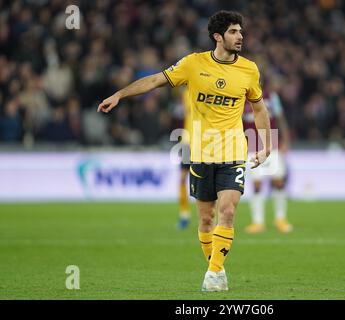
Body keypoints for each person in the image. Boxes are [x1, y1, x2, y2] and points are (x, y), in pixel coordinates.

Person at [97, 11, 272, 292]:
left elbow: (259, 108)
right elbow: (155, 80)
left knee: (227, 211)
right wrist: (119, 94)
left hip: (232, 153)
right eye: (234, 32)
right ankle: (218, 268)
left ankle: (213, 274)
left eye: (241, 31)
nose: (240, 36)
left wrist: (266, 146)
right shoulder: (193, 64)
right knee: (205, 218)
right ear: (218, 36)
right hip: (200, 153)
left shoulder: (249, 69)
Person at [243, 80, 293, 234]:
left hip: (272, 144)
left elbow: (280, 118)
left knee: (278, 181)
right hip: (251, 146)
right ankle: (258, 222)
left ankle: (280, 218)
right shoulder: (241, 98)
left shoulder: (272, 97)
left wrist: (285, 140)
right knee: (257, 184)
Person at [176, 87, 192, 230]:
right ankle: (184, 215)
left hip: (206, 142)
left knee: (210, 182)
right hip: (187, 143)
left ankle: (215, 218)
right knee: (182, 179)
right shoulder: (185, 94)